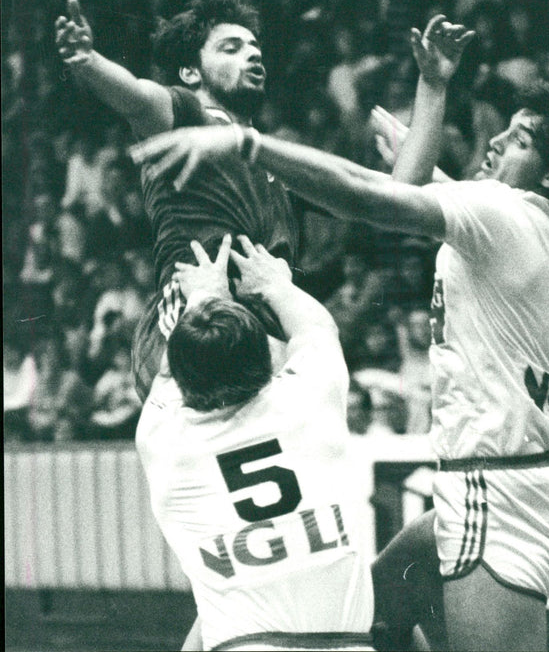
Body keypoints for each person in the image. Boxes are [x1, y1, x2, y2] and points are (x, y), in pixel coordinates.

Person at [131, 14, 549, 652]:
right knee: (371, 617)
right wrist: (430, 100)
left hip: (496, 493)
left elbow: (377, 197)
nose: (496, 140)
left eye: (520, 139)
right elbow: (415, 184)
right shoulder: (542, 225)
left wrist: (248, 145)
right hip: (493, 483)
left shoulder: (503, 215)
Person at [136, 234, 373, 651]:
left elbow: (170, 372)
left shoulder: (163, 440)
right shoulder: (308, 398)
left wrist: (205, 297)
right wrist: (276, 285)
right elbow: (318, 327)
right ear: (266, 359)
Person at [55, 0, 298, 400]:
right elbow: (136, 96)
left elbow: (391, 193)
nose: (253, 56)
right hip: (188, 324)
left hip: (253, 332)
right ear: (189, 72)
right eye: (232, 47)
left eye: (256, 48)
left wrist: (431, 86)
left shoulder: (269, 158)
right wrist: (90, 62)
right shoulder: (189, 114)